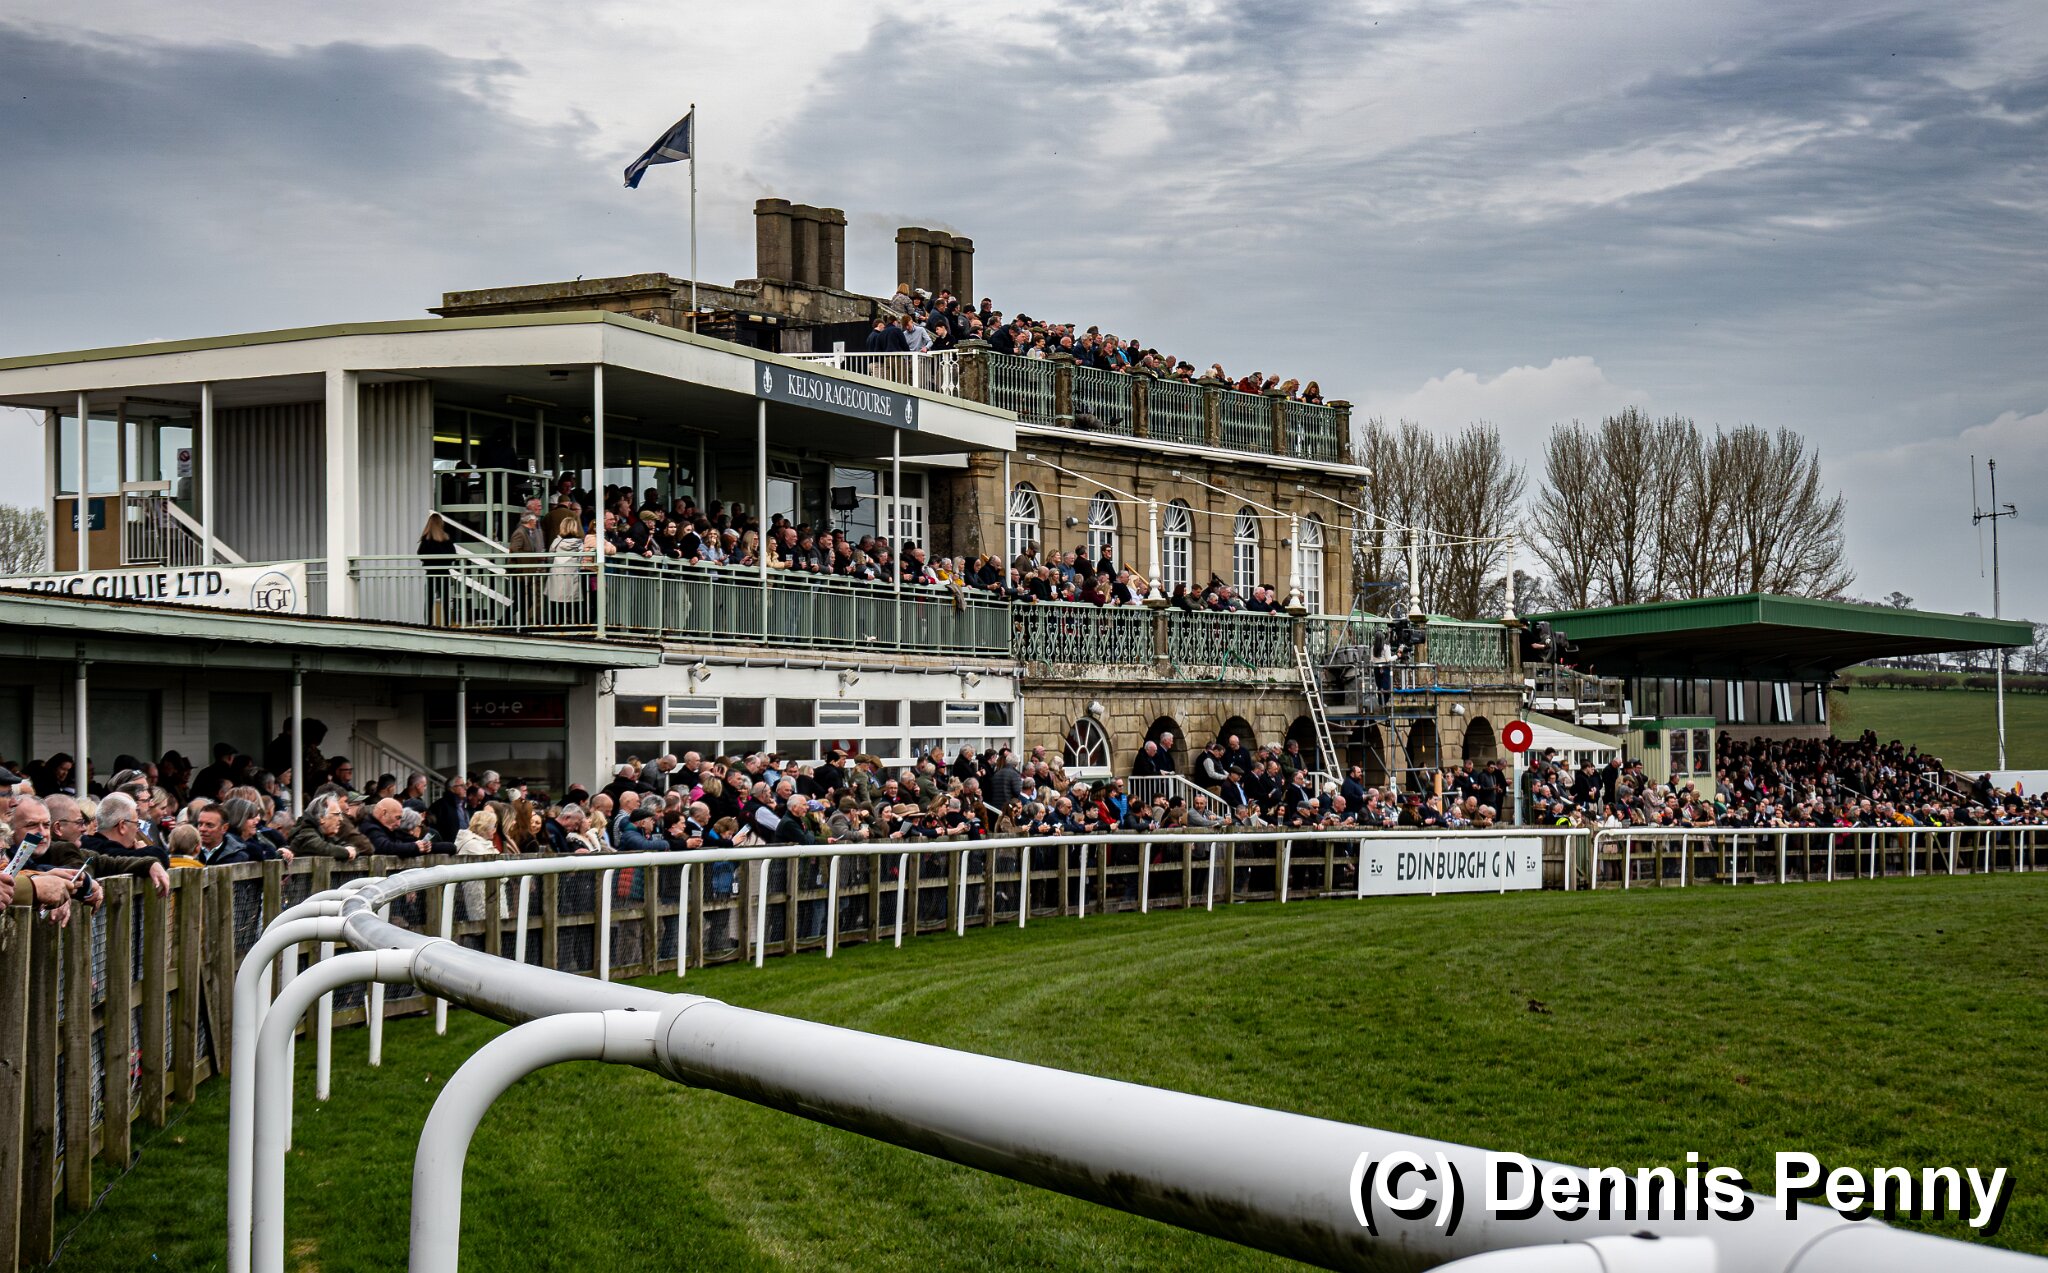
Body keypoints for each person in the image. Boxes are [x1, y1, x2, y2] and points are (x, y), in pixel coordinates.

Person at [418, 513, 458, 624]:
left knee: (429, 601)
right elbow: (453, 555)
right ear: (441, 524)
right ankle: (447, 623)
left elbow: (420, 554)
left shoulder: (426, 539)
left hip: (431, 573)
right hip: (444, 572)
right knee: (446, 600)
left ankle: (428, 624)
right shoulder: (446, 538)